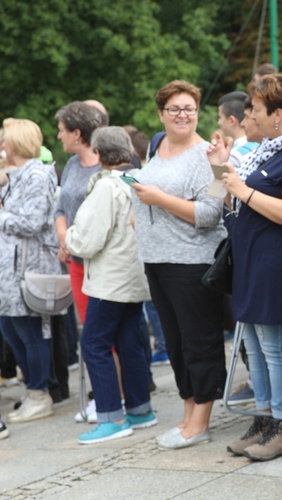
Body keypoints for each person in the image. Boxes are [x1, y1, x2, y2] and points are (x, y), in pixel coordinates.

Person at [217, 73, 282, 462]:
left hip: (276, 262)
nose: (247, 120)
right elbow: (240, 208)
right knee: (254, 345)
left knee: (275, 346)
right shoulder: (266, 150)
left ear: (277, 114)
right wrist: (226, 178)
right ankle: (263, 419)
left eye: (255, 111)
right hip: (253, 259)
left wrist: (244, 190)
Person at [130, 80, 227, 450]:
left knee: (198, 341)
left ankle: (200, 422)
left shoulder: (206, 155)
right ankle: (188, 414)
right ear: (161, 114)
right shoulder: (159, 148)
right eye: (175, 109)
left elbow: (209, 213)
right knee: (175, 341)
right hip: (157, 259)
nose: (183, 115)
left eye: (189, 108)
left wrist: (159, 198)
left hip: (192, 261)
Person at [65, 127, 156, 444]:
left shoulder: (106, 187)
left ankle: (111, 417)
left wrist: (68, 238)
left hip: (110, 279)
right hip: (133, 275)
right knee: (130, 341)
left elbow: (88, 239)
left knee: (94, 344)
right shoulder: (136, 181)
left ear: (99, 154)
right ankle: (140, 409)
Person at [0, 118, 60, 423]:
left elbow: (31, 222)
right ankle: (32, 390)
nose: (2, 146)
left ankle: (39, 393)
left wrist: (1, 214)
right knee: (10, 328)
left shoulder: (36, 175)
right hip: (10, 268)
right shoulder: (19, 175)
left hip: (29, 265)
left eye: (5, 140)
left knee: (29, 331)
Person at [54, 102, 105, 324]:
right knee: (87, 325)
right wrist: (64, 239)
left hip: (102, 262)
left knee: (104, 333)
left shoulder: (106, 165)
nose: (58, 136)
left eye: (62, 130)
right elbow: (61, 207)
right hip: (75, 260)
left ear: (76, 134)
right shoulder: (72, 164)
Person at [217, 91, 258, 167]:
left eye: (220, 117)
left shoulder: (234, 157)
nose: (218, 122)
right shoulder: (259, 145)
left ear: (232, 120)